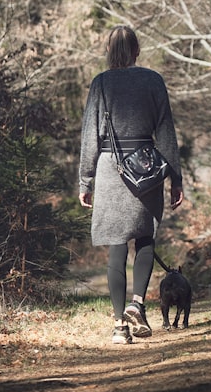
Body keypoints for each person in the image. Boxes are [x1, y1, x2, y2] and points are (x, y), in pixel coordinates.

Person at [78, 25, 184, 345]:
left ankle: (118, 326)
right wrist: (175, 177)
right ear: (137, 51)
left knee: (117, 244)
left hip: (111, 169)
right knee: (144, 237)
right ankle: (137, 305)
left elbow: (90, 135)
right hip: (147, 167)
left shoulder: (101, 84)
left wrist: (86, 180)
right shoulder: (153, 80)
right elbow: (166, 131)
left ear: (109, 52)